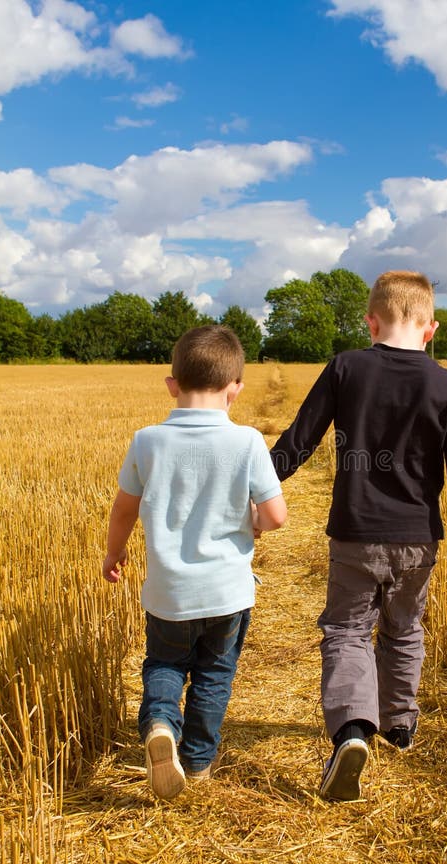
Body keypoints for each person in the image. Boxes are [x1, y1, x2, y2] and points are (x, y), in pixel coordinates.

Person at [270, 271, 447, 802]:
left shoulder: (346, 367)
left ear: (370, 321)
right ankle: (398, 724)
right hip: (419, 538)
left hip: (355, 533)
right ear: (430, 328)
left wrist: (257, 486)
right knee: (405, 627)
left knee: (347, 632)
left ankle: (352, 729)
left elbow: (300, 439)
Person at [102, 325, 287, 800]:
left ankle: (161, 725)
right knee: (213, 674)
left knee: (164, 664)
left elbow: (124, 509)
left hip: (169, 592)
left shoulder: (147, 441)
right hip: (227, 592)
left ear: (172, 384)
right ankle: (198, 763)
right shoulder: (247, 443)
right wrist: (252, 520)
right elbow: (275, 516)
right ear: (236, 390)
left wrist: (114, 550)